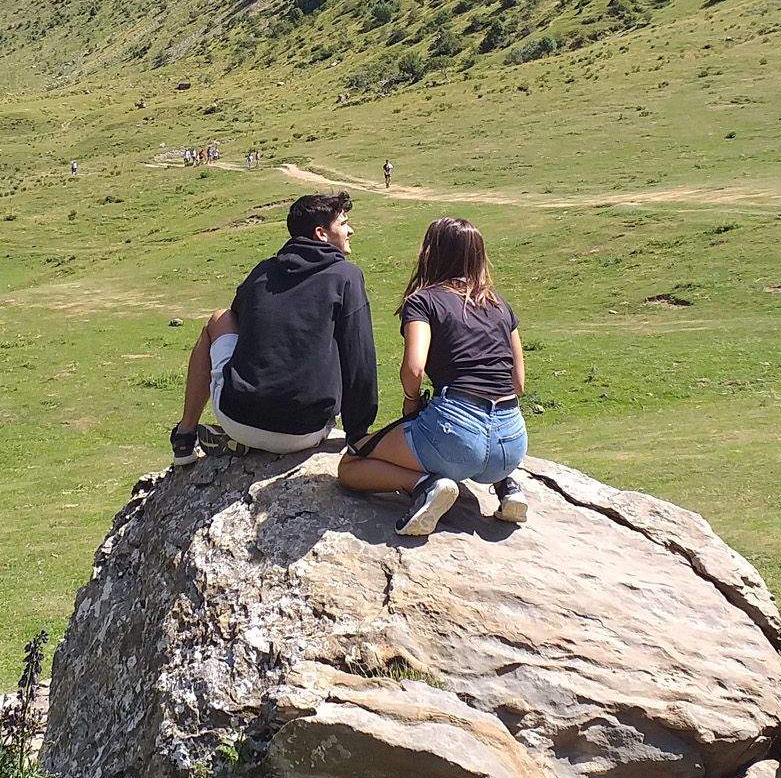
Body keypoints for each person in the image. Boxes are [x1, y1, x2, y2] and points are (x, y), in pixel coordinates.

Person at [336, 215, 530, 539]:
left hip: (455, 434)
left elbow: (414, 368)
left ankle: (426, 486)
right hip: (511, 444)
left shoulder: (424, 301)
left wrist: (412, 403)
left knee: (352, 465)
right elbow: (518, 383)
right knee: (485, 441)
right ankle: (508, 486)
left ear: (431, 253)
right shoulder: (501, 306)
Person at [170, 190, 377, 464]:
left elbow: (241, 319)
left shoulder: (263, 271)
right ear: (321, 234)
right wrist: (357, 434)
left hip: (237, 416)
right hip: (305, 431)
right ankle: (250, 441)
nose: (350, 230)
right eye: (343, 224)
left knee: (220, 318)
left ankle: (185, 437)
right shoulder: (346, 277)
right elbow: (359, 359)